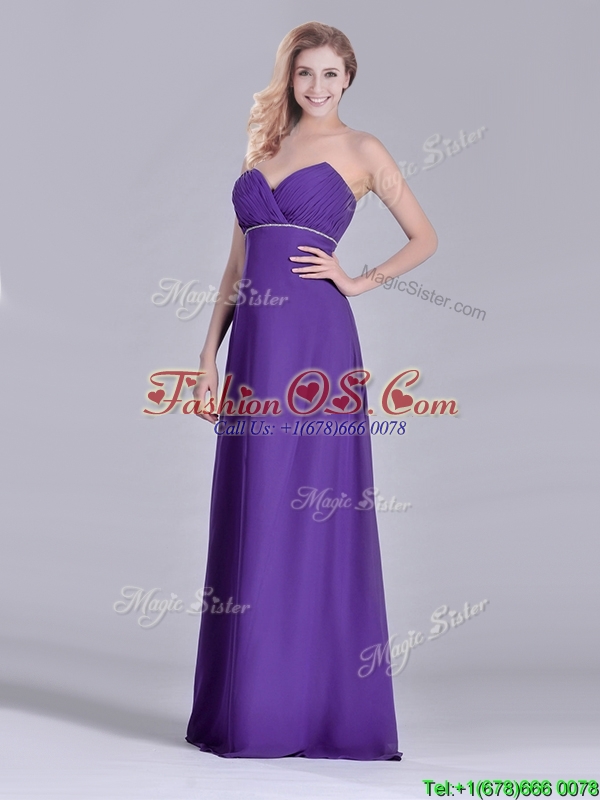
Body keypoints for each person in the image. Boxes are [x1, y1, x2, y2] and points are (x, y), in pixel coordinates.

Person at [185, 20, 437, 760]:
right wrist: (207, 353)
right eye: (305, 74)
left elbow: (424, 237)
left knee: (312, 511)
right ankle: (253, 707)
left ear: (348, 79)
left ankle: (320, 710)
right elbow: (236, 269)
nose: (318, 87)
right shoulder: (262, 150)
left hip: (316, 349)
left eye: (331, 74)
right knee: (256, 506)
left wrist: (357, 281)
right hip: (254, 351)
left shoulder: (364, 150)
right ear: (289, 78)